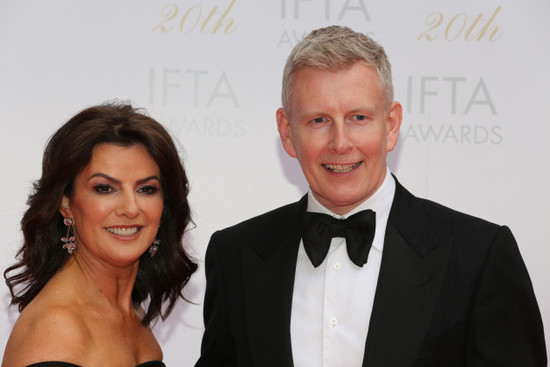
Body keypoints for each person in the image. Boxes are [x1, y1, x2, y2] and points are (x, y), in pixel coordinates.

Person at [196, 25, 547, 366]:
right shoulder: (234, 257)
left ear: (391, 125)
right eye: (318, 120)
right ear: (288, 133)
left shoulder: (479, 256)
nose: (340, 143)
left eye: (358, 117)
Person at [2, 102, 198, 366]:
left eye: (146, 189)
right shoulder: (58, 326)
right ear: (66, 203)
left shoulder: (130, 311)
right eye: (105, 188)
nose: (130, 208)